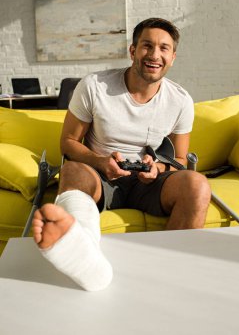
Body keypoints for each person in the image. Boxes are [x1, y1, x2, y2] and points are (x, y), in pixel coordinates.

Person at [32, 18, 211, 292]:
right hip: (98, 176)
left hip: (147, 183)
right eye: (147, 46)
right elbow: (68, 143)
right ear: (132, 51)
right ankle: (87, 262)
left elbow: (181, 161)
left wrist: (159, 170)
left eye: (164, 48)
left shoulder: (180, 100)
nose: (154, 54)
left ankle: (173, 275)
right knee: (71, 170)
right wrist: (100, 161)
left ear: (173, 57)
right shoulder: (94, 86)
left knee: (196, 184)